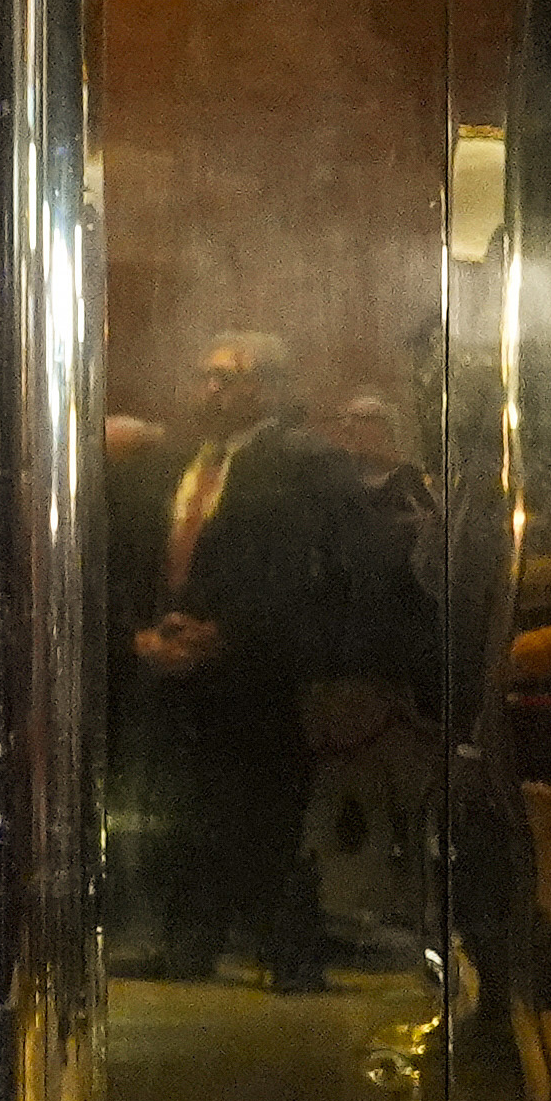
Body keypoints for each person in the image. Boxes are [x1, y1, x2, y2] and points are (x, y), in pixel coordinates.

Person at [110, 330, 387, 987]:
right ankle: (185, 941)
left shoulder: (308, 462)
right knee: (177, 807)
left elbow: (323, 569)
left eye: (228, 376)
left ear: (267, 387)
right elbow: (140, 558)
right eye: (206, 374)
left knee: (260, 809)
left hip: (263, 670)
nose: (212, 388)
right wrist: (142, 634)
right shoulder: (180, 461)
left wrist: (232, 631)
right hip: (173, 666)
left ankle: (283, 947)